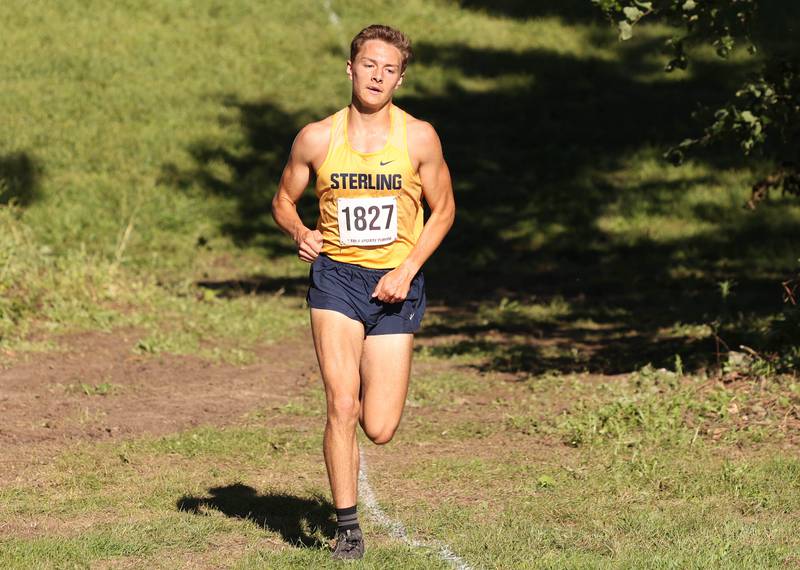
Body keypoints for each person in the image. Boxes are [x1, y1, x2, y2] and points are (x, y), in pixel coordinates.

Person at [271, 24, 455, 560]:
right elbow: (283, 200)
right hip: (336, 280)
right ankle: (348, 526)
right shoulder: (317, 138)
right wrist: (301, 232)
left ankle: (350, 503)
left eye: (389, 69)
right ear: (350, 69)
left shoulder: (419, 137)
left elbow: (444, 211)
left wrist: (408, 268)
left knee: (379, 426)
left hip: (397, 284)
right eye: (369, 64)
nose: (378, 75)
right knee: (341, 403)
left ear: (400, 78)